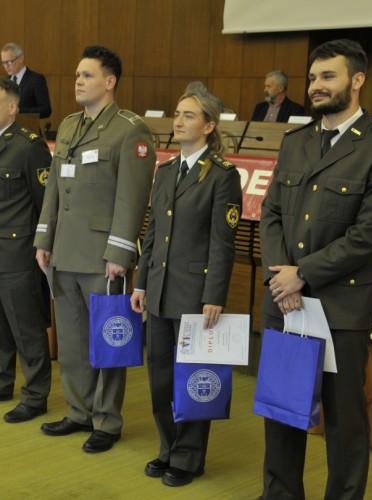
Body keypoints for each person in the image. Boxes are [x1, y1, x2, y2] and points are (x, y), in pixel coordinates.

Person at [259, 39, 372, 499]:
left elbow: (368, 235)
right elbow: (271, 213)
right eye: (312, 77)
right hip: (285, 301)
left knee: (344, 422)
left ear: (357, 80)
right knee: (281, 412)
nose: (316, 86)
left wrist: (301, 273)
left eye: (328, 76)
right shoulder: (296, 141)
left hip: (341, 307)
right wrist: (280, 277)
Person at [34, 46, 155, 453]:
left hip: (104, 258)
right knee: (71, 342)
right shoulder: (69, 126)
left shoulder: (130, 129)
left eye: (87, 75)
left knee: (108, 340)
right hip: (64, 252)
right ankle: (78, 411)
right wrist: (43, 238)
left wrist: (120, 253)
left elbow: (133, 198)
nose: (78, 81)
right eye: (77, 75)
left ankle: (106, 420)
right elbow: (54, 188)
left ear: (110, 81)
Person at [131, 90, 242, 487]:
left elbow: (222, 243)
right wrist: (141, 282)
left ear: (209, 126)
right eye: (177, 114)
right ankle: (168, 447)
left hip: (195, 293)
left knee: (193, 377)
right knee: (160, 376)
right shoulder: (165, 171)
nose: (178, 122)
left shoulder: (222, 176)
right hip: (159, 289)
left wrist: (214, 295)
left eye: (189, 116)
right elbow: (153, 232)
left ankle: (189, 457)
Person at [0, 77, 53, 419]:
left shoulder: (29, 146)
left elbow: (44, 203)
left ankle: (35, 395)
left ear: (13, 108)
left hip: (17, 254)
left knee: (26, 329)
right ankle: (0, 382)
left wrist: (42, 246)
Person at [1, 43, 52, 120]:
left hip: (27, 126)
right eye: (3, 62)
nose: (6, 66)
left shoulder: (36, 79)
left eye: (9, 62)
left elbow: (46, 110)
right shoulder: (4, 82)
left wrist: (20, 111)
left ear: (21, 59)